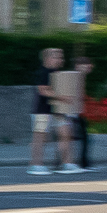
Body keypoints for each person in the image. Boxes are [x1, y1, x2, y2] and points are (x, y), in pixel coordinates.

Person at [28, 46, 72, 175]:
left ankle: (67, 163)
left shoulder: (57, 73)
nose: (60, 59)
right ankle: (36, 165)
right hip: (42, 111)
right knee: (40, 138)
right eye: (57, 56)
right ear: (48, 58)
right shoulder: (43, 72)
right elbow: (43, 90)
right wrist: (63, 98)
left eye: (61, 57)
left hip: (57, 110)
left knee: (65, 134)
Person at [73, 57, 98, 170]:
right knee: (83, 138)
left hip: (79, 113)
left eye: (89, 65)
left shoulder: (80, 77)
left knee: (76, 138)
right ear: (78, 66)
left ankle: (82, 162)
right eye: (86, 65)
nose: (89, 67)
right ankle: (84, 163)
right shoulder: (77, 77)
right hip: (76, 113)